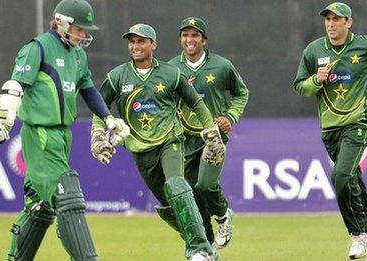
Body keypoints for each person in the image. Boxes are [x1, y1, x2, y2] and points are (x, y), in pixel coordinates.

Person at [0, 0, 130, 260]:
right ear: (62, 22)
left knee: (39, 208)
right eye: (80, 28)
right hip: (40, 134)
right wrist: (4, 123)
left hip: (64, 136)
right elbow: (15, 85)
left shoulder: (78, 55)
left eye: (86, 30)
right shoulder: (37, 48)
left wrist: (108, 118)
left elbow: (88, 89)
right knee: (67, 193)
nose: (84, 35)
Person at [90, 23, 224, 261]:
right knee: (171, 207)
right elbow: (99, 107)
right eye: (132, 41)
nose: (135, 46)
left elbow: (196, 103)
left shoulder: (171, 74)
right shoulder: (117, 76)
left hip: (170, 140)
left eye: (141, 41)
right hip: (140, 150)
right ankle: (207, 249)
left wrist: (211, 132)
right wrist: (98, 135)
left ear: (153, 44)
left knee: (176, 186)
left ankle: (198, 250)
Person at [293, 2, 367, 260]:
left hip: (360, 121)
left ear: (349, 22)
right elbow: (300, 87)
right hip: (330, 128)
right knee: (352, 181)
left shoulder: (366, 45)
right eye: (327, 19)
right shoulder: (314, 50)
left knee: (340, 176)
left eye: (337, 19)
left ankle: (357, 235)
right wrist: (315, 80)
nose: (331, 24)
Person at [168, 17, 249, 249]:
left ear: (204, 39)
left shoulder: (222, 66)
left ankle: (223, 216)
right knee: (191, 196)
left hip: (213, 139)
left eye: (194, 35)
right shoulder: (171, 68)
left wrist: (230, 117)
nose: (189, 40)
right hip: (184, 140)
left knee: (205, 185)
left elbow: (241, 93)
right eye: (185, 35)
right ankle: (206, 246)